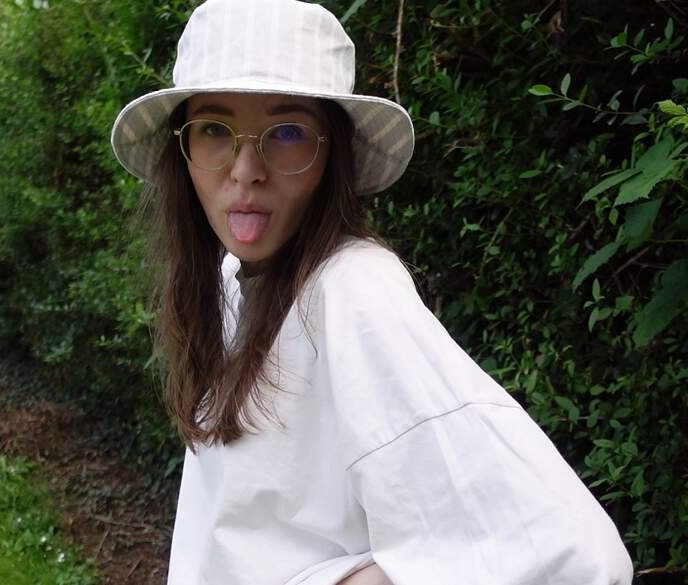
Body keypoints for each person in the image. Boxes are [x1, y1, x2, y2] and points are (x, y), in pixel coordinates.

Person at [110, 0, 635, 583]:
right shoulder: (235, 282)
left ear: (332, 152)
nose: (245, 169)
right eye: (214, 129)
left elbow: (571, 552)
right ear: (181, 149)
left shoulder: (352, 291)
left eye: (288, 132)